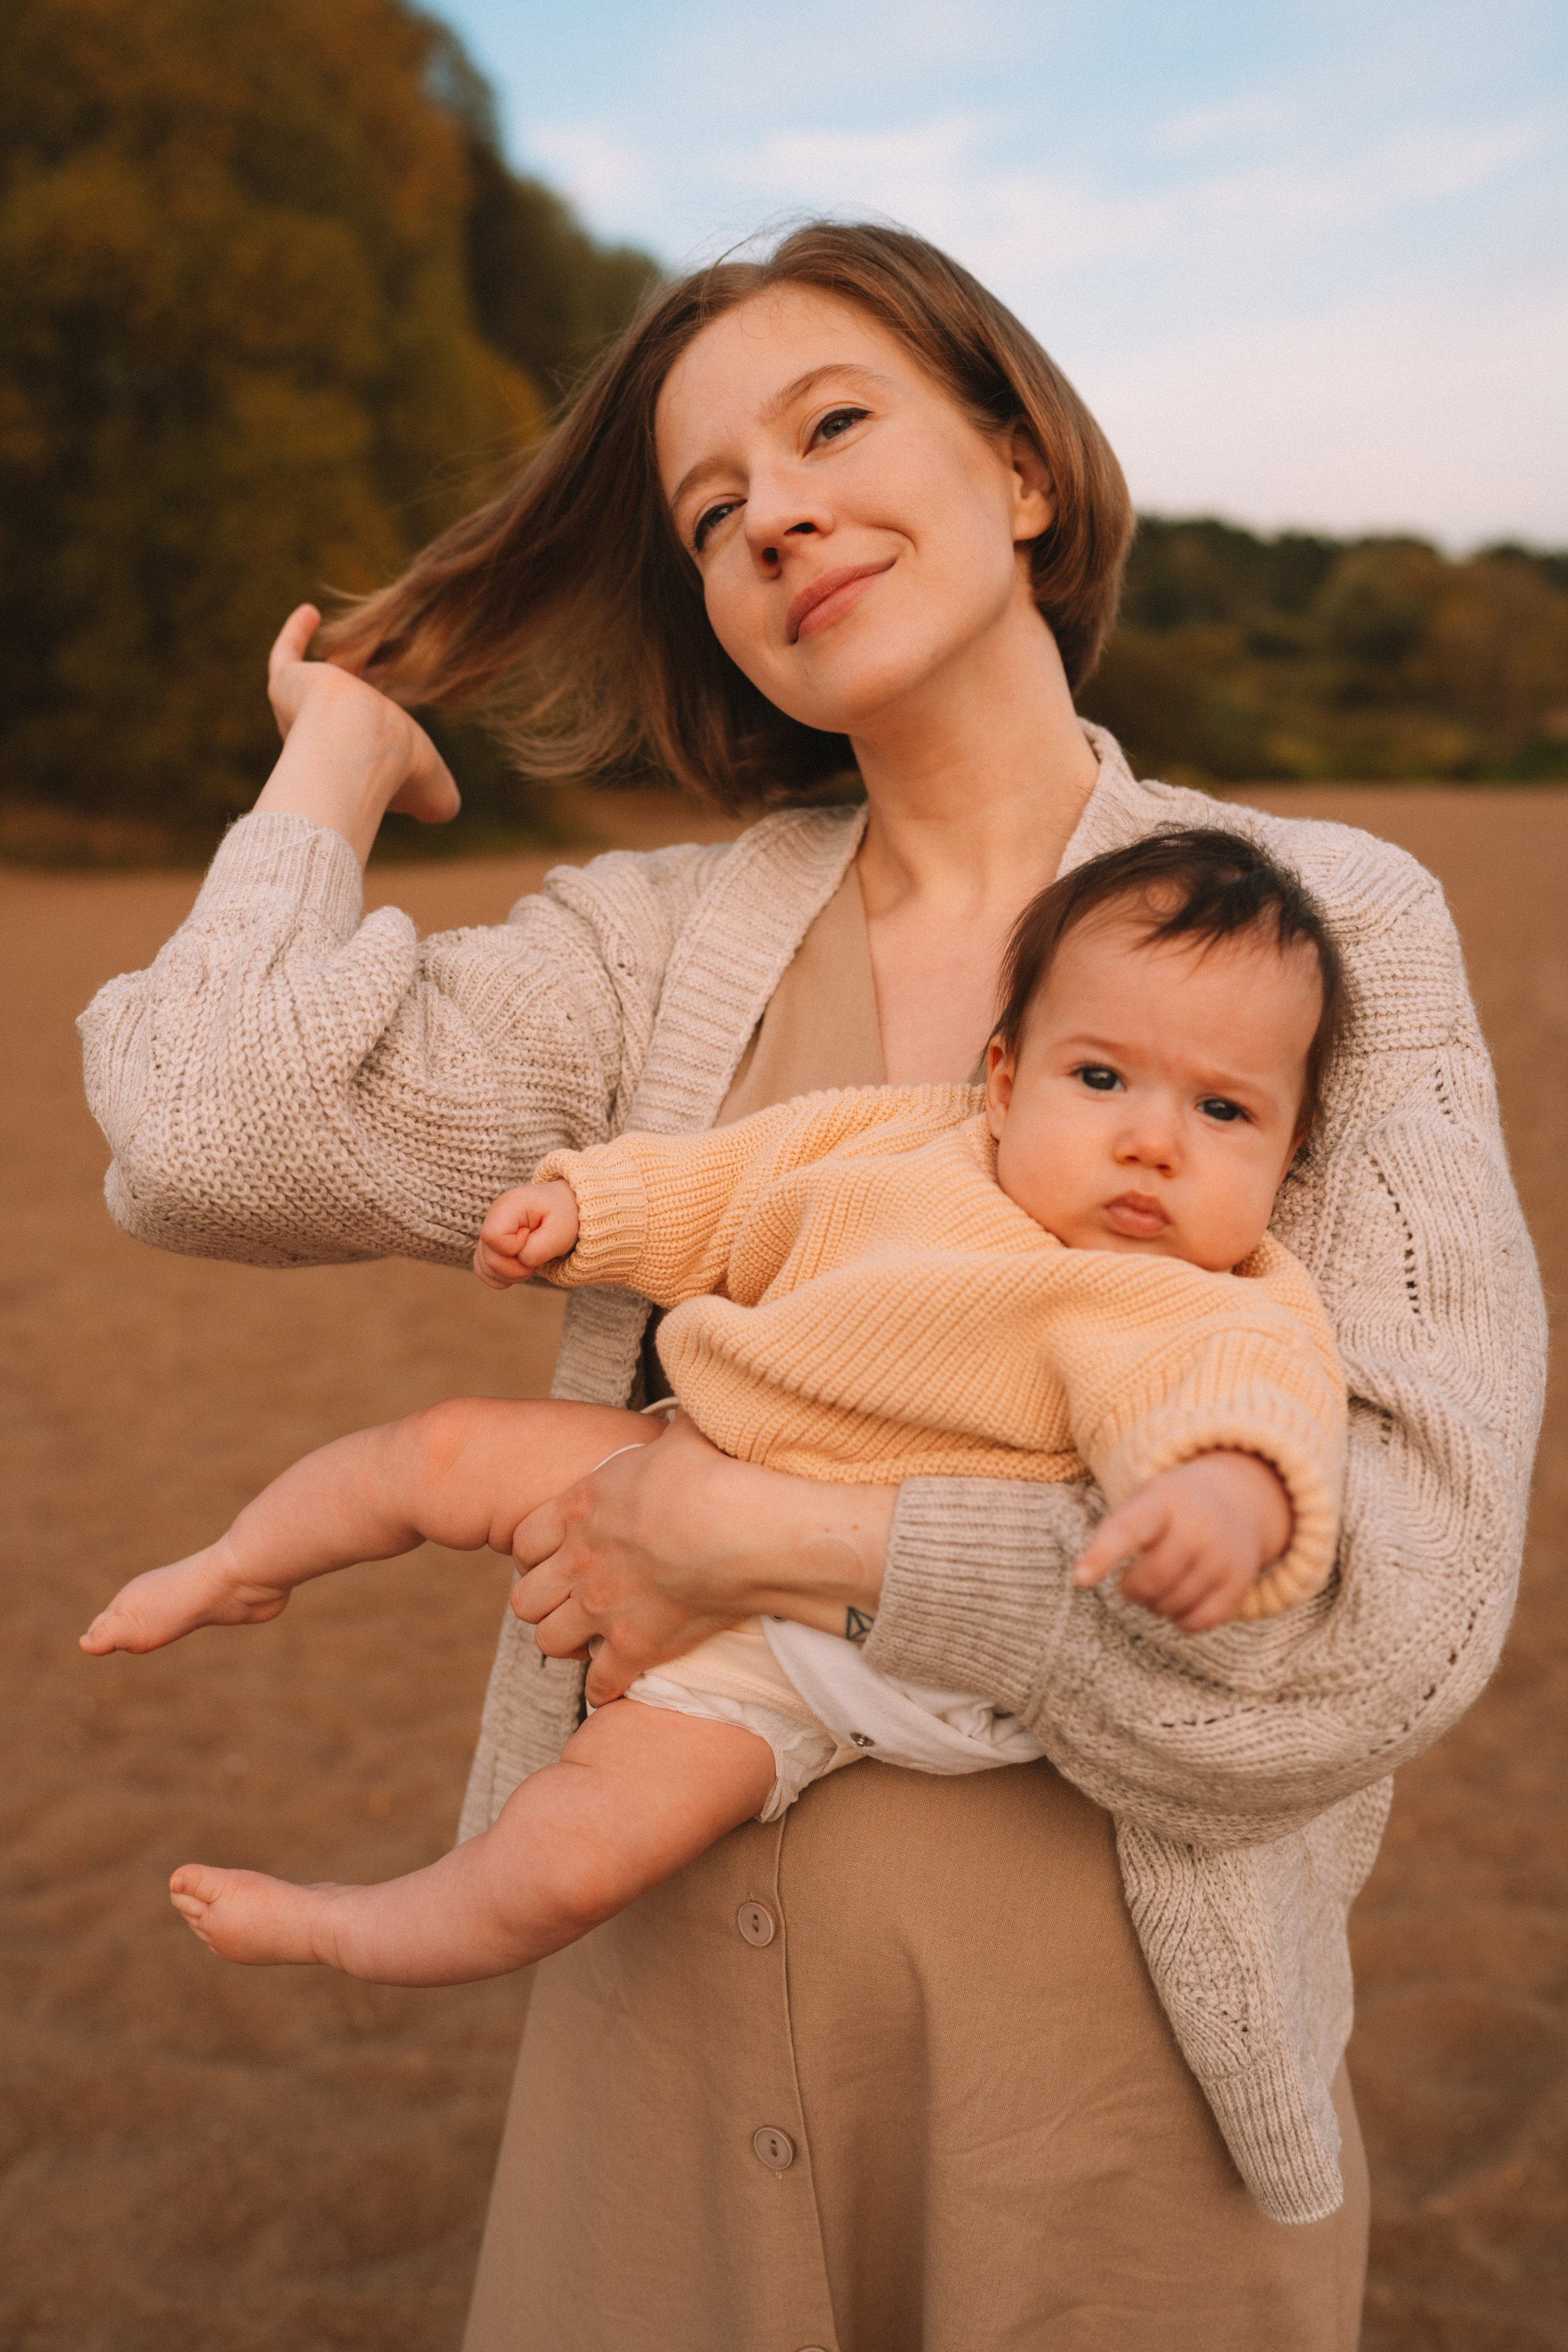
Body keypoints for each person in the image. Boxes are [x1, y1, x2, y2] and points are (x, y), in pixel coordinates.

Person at [77, 222, 1544, 2350]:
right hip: (657, 2086)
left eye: (833, 424)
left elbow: (1392, 1614)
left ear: (1022, 465)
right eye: (708, 513)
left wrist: (783, 1536)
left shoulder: (1323, 934)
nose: (774, 511)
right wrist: (339, 749)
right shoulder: (655, 951)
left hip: (1104, 2138)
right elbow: (200, 1134)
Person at [83, 829, 1349, 1985]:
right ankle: (238, 1562)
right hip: (684, 1453)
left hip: (840, 1656)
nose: (1151, 1142)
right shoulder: (906, 1144)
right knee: (444, 1445)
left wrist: (1218, 1504)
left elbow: (1247, 1415)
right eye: (1102, 1078)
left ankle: (346, 1928)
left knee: (575, 1855)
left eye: (1221, 1110)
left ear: (1287, 1154)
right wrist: (595, 1210)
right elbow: (738, 1184)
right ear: (1006, 1079)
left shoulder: (1203, 1302)